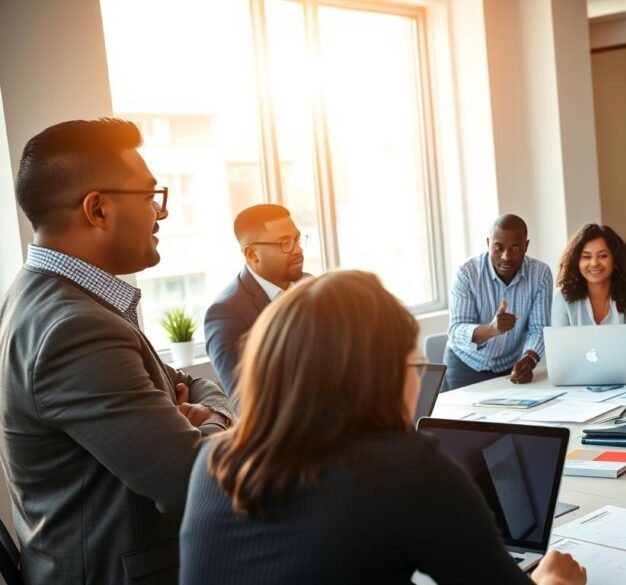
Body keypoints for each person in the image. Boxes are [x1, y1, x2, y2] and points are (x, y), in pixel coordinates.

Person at [180, 271, 586, 584]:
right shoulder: (407, 470)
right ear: (380, 376)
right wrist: (551, 579)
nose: (417, 381)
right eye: (413, 366)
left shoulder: (213, 461)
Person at [0, 118, 234, 585]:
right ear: (98, 209)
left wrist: (199, 412)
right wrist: (215, 418)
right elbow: (192, 479)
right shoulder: (74, 328)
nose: (160, 214)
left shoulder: (52, 298)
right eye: (150, 197)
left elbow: (189, 382)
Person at [204, 204, 310, 394]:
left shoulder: (311, 284)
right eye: (285, 242)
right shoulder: (226, 313)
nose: (297, 250)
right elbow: (244, 401)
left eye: (297, 239)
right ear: (252, 254)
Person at [444, 214, 553, 390]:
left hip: (511, 368)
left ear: (526, 246)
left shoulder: (540, 274)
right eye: (498, 247)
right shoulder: (467, 273)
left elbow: (539, 328)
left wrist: (529, 359)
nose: (506, 257)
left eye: (515, 248)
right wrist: (491, 329)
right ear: (488, 243)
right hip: (466, 366)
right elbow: (455, 331)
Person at [552, 223, 626, 359]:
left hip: (621, 378)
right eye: (586, 257)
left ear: (615, 260)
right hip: (577, 379)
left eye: (603, 256)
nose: (594, 263)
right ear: (576, 261)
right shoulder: (563, 299)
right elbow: (560, 354)